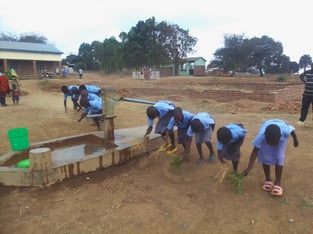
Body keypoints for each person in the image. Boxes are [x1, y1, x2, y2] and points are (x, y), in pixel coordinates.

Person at [243, 119, 299, 196]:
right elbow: (255, 152)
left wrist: (295, 140)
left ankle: (277, 183)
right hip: (268, 132)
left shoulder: (285, 131)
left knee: (279, 156)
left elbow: (291, 130)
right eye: (270, 142)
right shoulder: (261, 136)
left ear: (280, 137)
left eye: (274, 142)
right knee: (265, 156)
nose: (272, 145)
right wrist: (249, 168)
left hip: (280, 134)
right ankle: (268, 179)